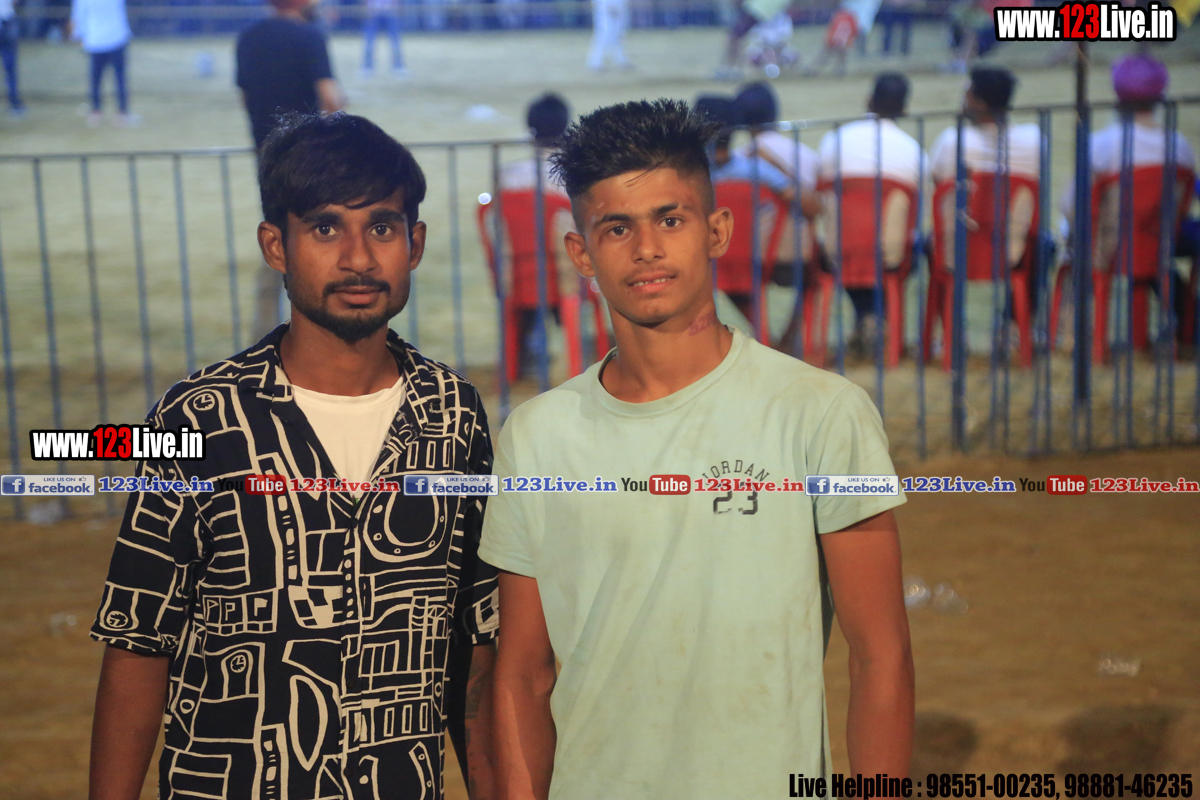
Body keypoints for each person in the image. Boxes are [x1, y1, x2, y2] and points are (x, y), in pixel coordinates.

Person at [482, 98, 914, 800]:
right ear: (580, 253)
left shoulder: (820, 413)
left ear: (717, 231)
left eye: (670, 219)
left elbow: (881, 658)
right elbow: (523, 676)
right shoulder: (535, 437)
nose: (647, 249)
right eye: (616, 228)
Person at [88, 112, 498, 800]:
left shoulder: (453, 415)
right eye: (326, 228)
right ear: (276, 245)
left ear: (416, 243)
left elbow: (476, 648)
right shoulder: (198, 419)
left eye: (382, 228)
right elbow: (139, 644)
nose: (359, 258)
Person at [237, 0, 345, 342]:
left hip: (268, 155)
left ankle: (265, 332)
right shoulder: (309, 36)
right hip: (310, 155)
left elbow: (245, 96)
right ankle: (328, 329)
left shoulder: (248, 37)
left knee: (280, 238)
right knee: (323, 240)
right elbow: (330, 97)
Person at [817, 72, 923, 352]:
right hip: (891, 254)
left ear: (868, 100)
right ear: (904, 109)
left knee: (853, 247)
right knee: (911, 246)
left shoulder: (834, 139)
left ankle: (867, 316)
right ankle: (879, 319)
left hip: (838, 251)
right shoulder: (913, 151)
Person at [490, 93, 579, 376]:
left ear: (530, 130)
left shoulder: (507, 175)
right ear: (566, 129)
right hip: (568, 274)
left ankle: (523, 352)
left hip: (517, 274)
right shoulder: (573, 175)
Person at [68, 0, 133, 127]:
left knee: (95, 79)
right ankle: (122, 113)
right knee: (119, 78)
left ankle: (96, 112)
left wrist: (77, 36)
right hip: (116, 38)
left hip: (96, 40)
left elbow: (78, 16)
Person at [805, 0, 882, 76]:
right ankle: (831, 70)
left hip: (839, 36)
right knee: (835, 53)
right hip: (842, 36)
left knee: (831, 53)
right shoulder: (849, 16)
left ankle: (817, 69)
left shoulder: (843, 16)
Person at [361, 0, 406, 76]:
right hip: (373, 10)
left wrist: (399, 5)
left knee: (395, 41)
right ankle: (367, 67)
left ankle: (398, 66)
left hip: (390, 10)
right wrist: (365, 6)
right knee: (369, 41)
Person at [585, 0, 630, 71]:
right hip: (606, 9)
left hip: (619, 8)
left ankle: (620, 60)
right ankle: (595, 62)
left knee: (618, 35)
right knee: (604, 35)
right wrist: (607, 6)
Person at [0, 0, 25, 120]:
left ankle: (15, 102)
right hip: (7, 21)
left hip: (7, 22)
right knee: (10, 67)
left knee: (10, 66)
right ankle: (15, 103)